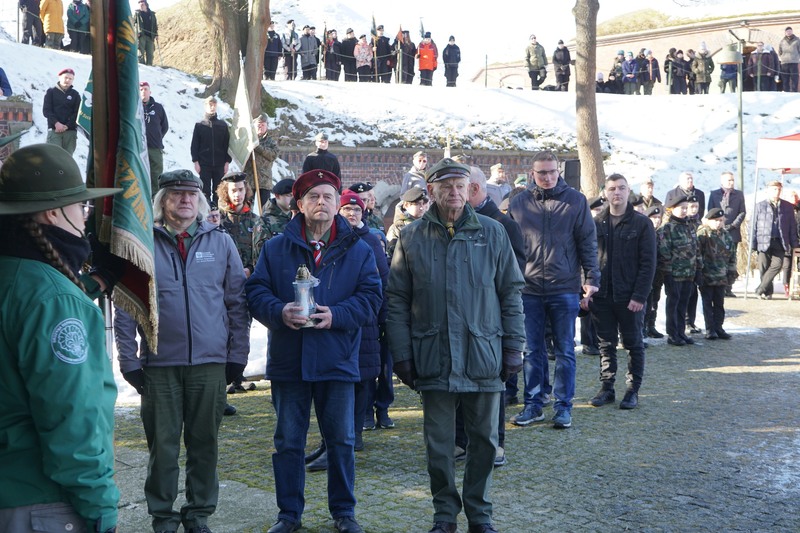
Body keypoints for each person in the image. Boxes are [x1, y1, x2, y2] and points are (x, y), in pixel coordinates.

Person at [385, 158, 525, 533]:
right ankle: (444, 515)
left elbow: (511, 292)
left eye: (460, 186)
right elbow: (396, 300)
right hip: (433, 357)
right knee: (439, 446)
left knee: (484, 441)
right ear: (430, 191)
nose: (454, 192)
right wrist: (401, 354)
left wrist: (515, 345)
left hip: (484, 355)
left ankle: (479, 515)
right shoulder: (412, 236)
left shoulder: (493, 233)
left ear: (471, 189)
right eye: (446, 186)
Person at [246, 169, 381, 533]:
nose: (321, 203)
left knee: (341, 441)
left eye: (328, 197)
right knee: (288, 442)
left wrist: (336, 315)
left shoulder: (359, 249)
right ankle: (289, 514)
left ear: (338, 203)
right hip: (289, 362)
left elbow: (371, 299)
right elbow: (255, 292)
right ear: (300, 204)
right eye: (313, 197)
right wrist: (279, 311)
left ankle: (343, 512)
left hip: (337, 359)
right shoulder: (276, 248)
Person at [115, 169, 249, 533]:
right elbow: (126, 305)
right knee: (163, 448)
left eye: (191, 194)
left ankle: (199, 513)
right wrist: (129, 360)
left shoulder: (220, 243)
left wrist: (238, 355)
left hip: (210, 364)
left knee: (205, 443)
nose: (185, 200)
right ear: (162, 201)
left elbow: (237, 303)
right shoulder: (140, 242)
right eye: (176, 194)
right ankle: (162, 515)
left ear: (201, 201)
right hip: (159, 364)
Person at [0, 144, 121, 533]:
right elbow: (71, 414)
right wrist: (100, 503)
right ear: (54, 212)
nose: (84, 216)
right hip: (40, 499)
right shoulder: (52, 297)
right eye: (79, 206)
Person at [508, 151, 600, 430]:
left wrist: (591, 276)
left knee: (564, 350)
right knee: (532, 350)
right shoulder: (519, 203)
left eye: (551, 172)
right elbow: (509, 247)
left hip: (564, 286)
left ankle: (563, 406)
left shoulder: (575, 201)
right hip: (529, 287)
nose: (547, 177)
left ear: (558, 171)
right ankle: (534, 403)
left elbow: (587, 240)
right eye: (541, 173)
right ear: (532, 173)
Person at [584, 174, 656, 411]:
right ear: (605, 192)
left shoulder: (641, 223)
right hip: (602, 296)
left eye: (621, 188)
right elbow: (586, 259)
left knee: (634, 344)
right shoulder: (595, 224)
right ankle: (607, 388)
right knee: (605, 344)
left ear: (629, 191)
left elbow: (648, 264)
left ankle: (632, 390)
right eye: (612, 188)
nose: (617, 192)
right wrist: (585, 290)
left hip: (629, 297)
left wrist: (639, 296)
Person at [337, 190, 389, 451]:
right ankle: (338, 433)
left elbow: (383, 280)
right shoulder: (332, 238)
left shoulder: (370, 240)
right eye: (347, 209)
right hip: (337, 317)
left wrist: (383, 318)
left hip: (366, 321)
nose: (352, 214)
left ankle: (356, 432)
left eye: (357, 210)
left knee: (363, 380)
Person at [658, 194, 701, 346]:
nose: (684, 211)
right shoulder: (667, 229)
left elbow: (696, 248)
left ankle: (681, 332)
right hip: (674, 274)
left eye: (685, 208)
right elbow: (664, 252)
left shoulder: (690, 227)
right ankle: (672, 333)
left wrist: (698, 268)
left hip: (689, 273)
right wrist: (668, 272)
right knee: (673, 303)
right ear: (672, 209)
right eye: (681, 208)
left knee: (684, 304)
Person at [752, 180, 798, 299]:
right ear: (768, 190)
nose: (776, 192)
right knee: (763, 267)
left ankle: (760, 289)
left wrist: (794, 243)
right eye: (774, 189)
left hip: (780, 240)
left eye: (778, 189)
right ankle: (768, 292)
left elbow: (792, 226)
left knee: (777, 265)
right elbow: (753, 225)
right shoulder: (760, 206)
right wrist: (753, 243)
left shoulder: (787, 206)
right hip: (763, 240)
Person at [216, 171, 266, 278]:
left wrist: (250, 269)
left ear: (246, 190)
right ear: (226, 192)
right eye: (233, 190)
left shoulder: (256, 220)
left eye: (240, 190)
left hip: (250, 278)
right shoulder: (218, 220)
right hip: (223, 278)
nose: (237, 194)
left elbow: (262, 251)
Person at [697, 208, 736, 340]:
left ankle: (719, 327)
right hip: (707, 276)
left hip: (721, 276)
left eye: (720, 220)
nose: (718, 223)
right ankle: (710, 329)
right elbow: (698, 254)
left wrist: (731, 271)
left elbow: (732, 255)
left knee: (719, 303)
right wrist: (699, 273)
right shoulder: (703, 234)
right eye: (715, 221)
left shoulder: (726, 235)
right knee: (707, 303)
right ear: (708, 221)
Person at [707, 171, 746, 296]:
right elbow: (710, 211)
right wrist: (718, 224)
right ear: (722, 181)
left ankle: (729, 287)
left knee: (731, 260)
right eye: (729, 180)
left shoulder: (739, 194)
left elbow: (742, 212)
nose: (731, 182)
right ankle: (719, 285)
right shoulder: (714, 194)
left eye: (732, 180)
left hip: (733, 231)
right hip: (717, 231)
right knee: (718, 258)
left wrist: (733, 225)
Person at [190, 95, 231, 204]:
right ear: (205, 106)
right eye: (210, 105)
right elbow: (194, 145)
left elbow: (228, 145)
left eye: (214, 105)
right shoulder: (199, 125)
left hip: (219, 164)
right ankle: (206, 214)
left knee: (219, 192)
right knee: (205, 191)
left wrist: (227, 162)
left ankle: (219, 215)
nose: (212, 107)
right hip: (204, 164)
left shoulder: (222, 125)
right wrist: (196, 161)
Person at [140, 81, 169, 195]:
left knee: (156, 176)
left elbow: (164, 126)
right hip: (139, 148)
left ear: (150, 92)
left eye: (146, 89)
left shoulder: (158, 107)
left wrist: (157, 137)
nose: (143, 92)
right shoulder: (133, 107)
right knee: (140, 174)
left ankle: (155, 200)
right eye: (141, 90)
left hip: (155, 148)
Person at [43, 68, 81, 155]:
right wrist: (56, 123)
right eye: (66, 77)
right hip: (54, 130)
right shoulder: (51, 92)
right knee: (54, 157)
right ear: (59, 77)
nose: (67, 80)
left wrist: (67, 126)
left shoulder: (75, 94)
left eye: (70, 78)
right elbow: (47, 111)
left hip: (70, 131)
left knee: (67, 159)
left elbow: (77, 113)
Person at [245, 113, 280, 206]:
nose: (261, 127)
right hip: (249, 179)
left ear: (267, 126)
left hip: (264, 180)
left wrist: (257, 147)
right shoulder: (247, 139)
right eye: (258, 125)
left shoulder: (271, 142)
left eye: (263, 125)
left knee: (265, 209)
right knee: (247, 208)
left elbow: (272, 155)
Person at [386, 186, 428, 257]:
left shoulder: (429, 224)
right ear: (406, 205)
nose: (421, 208)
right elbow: (392, 253)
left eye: (423, 204)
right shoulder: (397, 228)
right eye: (417, 204)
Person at [644, 205, 665, 338]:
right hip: (647, 273)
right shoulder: (645, 232)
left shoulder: (660, 233)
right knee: (645, 301)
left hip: (658, 272)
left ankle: (651, 325)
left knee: (654, 300)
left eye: (659, 218)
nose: (657, 220)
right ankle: (643, 327)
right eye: (654, 218)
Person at [134, 0, 158, 66]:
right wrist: (136, 32)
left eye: (142, 4)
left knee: (150, 54)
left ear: (146, 5)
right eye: (140, 5)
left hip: (151, 36)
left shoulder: (152, 14)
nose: (141, 6)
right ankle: (143, 68)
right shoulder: (137, 14)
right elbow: (133, 24)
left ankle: (149, 67)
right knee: (140, 53)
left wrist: (156, 34)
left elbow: (155, 25)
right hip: (141, 36)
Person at [778, 27, 800, 93]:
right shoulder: (782, 41)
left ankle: (794, 91)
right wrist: (782, 58)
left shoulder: (797, 40)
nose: (789, 32)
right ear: (785, 32)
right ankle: (786, 91)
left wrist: (797, 57)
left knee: (794, 78)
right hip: (784, 62)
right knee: (785, 78)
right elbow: (780, 51)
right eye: (787, 31)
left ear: (792, 31)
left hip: (794, 62)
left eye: (790, 31)